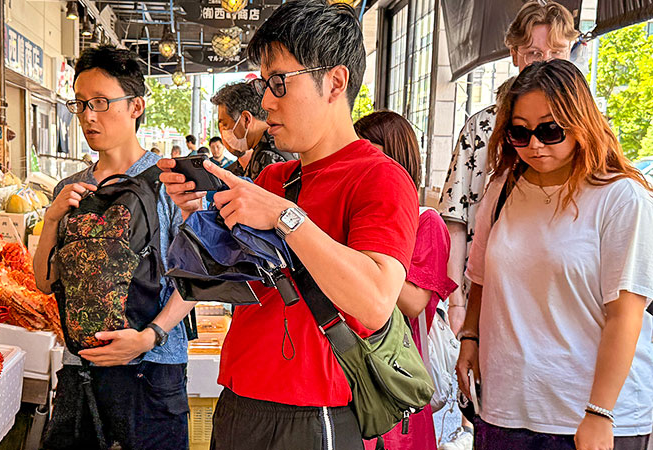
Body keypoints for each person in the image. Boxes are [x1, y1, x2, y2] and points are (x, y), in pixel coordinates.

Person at [158, 1, 419, 448]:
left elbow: (376, 302)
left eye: (279, 82)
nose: (265, 100)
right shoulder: (275, 177)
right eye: (264, 83)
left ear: (334, 82)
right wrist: (198, 218)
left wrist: (284, 216)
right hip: (240, 398)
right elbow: (231, 285)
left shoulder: (380, 177)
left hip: (314, 412)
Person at [456, 59, 653, 450]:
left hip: (589, 417)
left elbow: (626, 314)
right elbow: (481, 276)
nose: (534, 145)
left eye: (550, 130)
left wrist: (600, 413)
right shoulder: (501, 189)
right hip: (504, 411)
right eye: (520, 132)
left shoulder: (621, 197)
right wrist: (470, 336)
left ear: (580, 123)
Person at [32, 45, 194, 450]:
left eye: (102, 102)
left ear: (136, 105)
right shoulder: (70, 188)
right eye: (81, 103)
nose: (89, 115)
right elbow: (45, 281)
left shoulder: (171, 182)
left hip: (152, 369)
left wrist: (150, 336)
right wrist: (52, 220)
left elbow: (195, 275)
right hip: (81, 369)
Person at [439, 0, 579, 336]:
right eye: (533, 53)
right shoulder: (483, 127)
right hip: (488, 296)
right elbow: (456, 219)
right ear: (514, 54)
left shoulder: (585, 128)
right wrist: (456, 302)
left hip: (563, 300)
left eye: (556, 52)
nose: (545, 63)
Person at [356, 111, 458, 450]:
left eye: (370, 151)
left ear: (396, 156)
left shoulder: (425, 222)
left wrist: (361, 252)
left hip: (394, 381)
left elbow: (415, 304)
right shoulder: (357, 215)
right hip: (351, 373)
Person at [211, 81, 294, 180]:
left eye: (225, 124)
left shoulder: (267, 156)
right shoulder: (277, 141)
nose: (224, 133)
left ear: (246, 119)